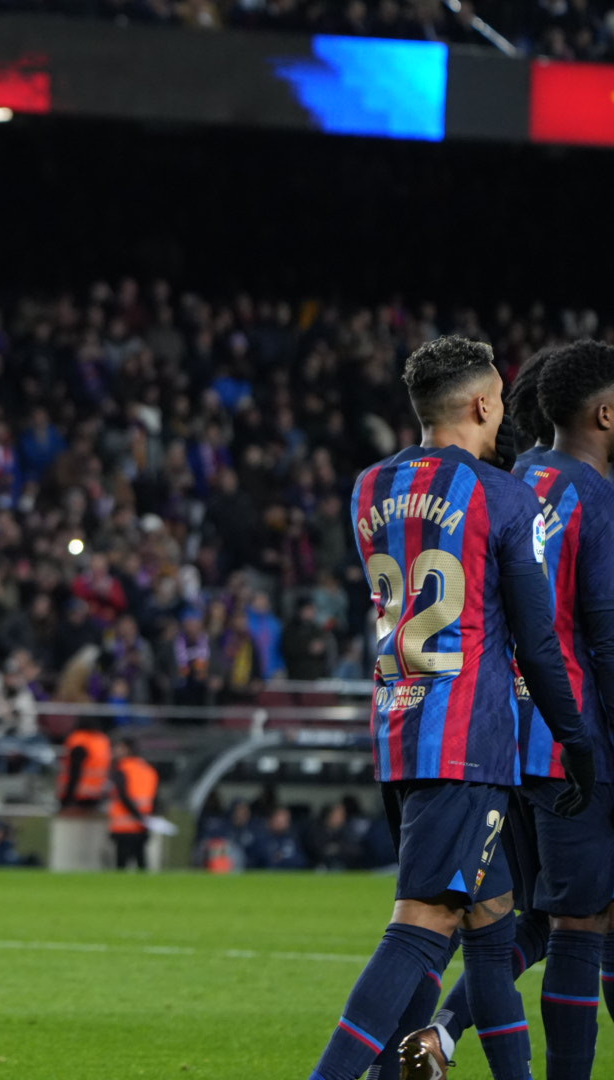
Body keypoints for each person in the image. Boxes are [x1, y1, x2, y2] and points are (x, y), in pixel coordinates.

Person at [310, 336, 595, 1080]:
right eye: (499, 403)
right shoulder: (504, 494)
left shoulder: (369, 485)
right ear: (480, 404)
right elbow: (536, 637)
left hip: (398, 724)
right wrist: (576, 735)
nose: (504, 416)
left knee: (493, 927)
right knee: (423, 924)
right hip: (469, 738)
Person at [420, 341, 614, 1080]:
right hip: (573, 740)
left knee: (537, 916)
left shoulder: (512, 479)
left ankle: (440, 1032)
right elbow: (601, 633)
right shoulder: (593, 497)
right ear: (602, 413)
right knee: (579, 924)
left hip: (505, 738)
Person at [107, 737, 158, 871]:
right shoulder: (149, 769)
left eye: (118, 747)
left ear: (127, 749)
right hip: (142, 825)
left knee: (121, 865)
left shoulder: (122, 769)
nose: (115, 751)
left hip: (124, 826)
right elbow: (155, 798)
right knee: (141, 862)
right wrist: (145, 818)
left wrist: (137, 815)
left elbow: (123, 796)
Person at [57, 718, 111, 810]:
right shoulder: (102, 740)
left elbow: (75, 770)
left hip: (78, 794)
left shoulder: (79, 740)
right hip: (97, 793)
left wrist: (68, 798)